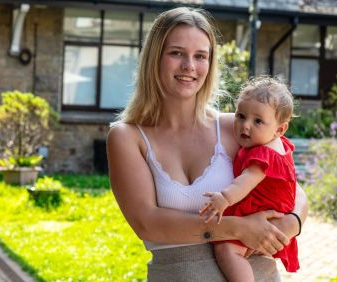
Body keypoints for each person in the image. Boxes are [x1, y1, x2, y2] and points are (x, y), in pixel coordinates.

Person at [107, 6, 308, 282]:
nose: (189, 66)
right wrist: (237, 228)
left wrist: (290, 224)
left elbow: (293, 189)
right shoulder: (127, 137)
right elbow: (148, 224)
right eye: (176, 53)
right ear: (154, 58)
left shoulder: (237, 128)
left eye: (200, 56)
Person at [200, 77, 299, 281]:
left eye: (257, 121)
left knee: (227, 250)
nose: (245, 126)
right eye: (241, 116)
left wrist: (224, 199)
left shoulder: (263, 154)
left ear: (280, 130)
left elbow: (246, 181)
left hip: (260, 209)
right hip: (270, 211)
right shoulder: (276, 144)